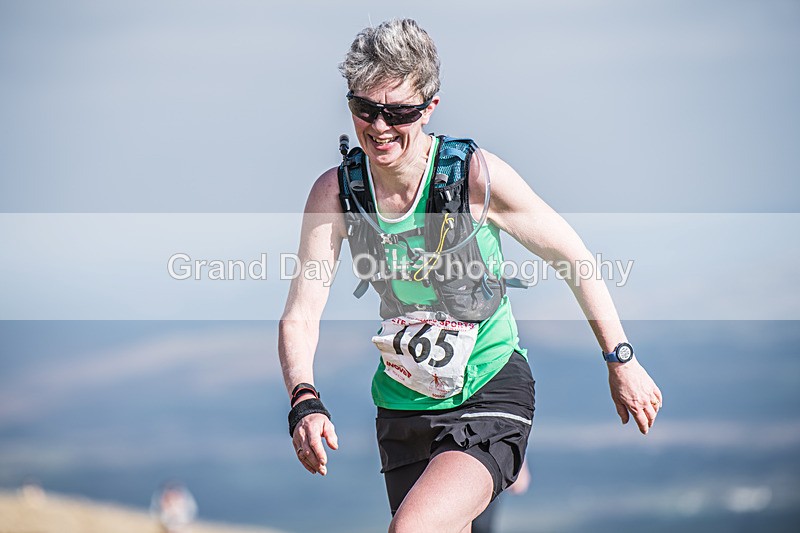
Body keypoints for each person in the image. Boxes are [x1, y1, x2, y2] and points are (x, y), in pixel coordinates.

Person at [278, 18, 662, 533]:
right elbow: (301, 314)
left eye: (399, 112)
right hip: (402, 406)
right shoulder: (336, 193)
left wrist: (621, 360)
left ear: (429, 106)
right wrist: (303, 400)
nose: (380, 126)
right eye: (365, 109)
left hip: (489, 391)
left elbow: (574, 258)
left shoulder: (475, 177)